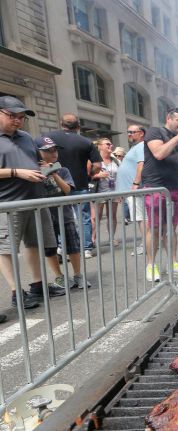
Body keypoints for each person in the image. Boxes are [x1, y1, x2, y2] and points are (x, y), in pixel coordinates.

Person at [0, 96, 65, 311]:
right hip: (8, 202)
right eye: (12, 115)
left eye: (21, 117)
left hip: (35, 199)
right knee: (6, 249)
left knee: (35, 243)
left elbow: (36, 161)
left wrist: (44, 167)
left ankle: (37, 285)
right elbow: (18, 169)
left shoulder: (26, 137)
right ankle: (16, 292)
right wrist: (17, 172)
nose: (18, 120)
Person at [141, 108, 178, 281]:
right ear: (168, 119)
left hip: (175, 188)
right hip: (155, 187)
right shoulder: (155, 132)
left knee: (171, 229)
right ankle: (151, 265)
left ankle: (172, 263)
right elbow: (159, 154)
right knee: (155, 228)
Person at [43, 114, 102, 259]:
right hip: (80, 184)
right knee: (84, 217)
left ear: (61, 123)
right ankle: (86, 248)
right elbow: (97, 166)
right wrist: (89, 176)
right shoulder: (86, 142)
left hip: (57, 184)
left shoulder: (49, 137)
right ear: (78, 126)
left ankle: (62, 247)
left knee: (59, 217)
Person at [37, 136, 90, 290]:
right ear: (38, 152)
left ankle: (78, 274)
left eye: (55, 150)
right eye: (48, 150)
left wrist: (53, 173)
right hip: (45, 215)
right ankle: (59, 276)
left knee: (73, 245)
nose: (53, 153)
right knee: (50, 248)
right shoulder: (33, 170)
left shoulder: (63, 170)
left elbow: (67, 190)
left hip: (65, 214)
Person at [116, 125, 146, 255]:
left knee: (141, 218)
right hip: (130, 189)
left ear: (141, 133)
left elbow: (141, 164)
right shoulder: (135, 147)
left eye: (132, 132)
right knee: (140, 218)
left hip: (134, 189)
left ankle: (146, 244)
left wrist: (135, 183)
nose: (129, 134)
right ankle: (147, 242)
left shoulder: (141, 146)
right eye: (128, 132)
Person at [89, 137, 119, 247]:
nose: (111, 146)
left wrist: (121, 191)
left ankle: (111, 238)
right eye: (107, 144)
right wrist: (97, 175)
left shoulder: (115, 160)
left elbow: (120, 175)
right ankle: (92, 239)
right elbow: (87, 175)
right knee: (96, 217)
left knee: (112, 216)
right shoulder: (94, 160)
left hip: (113, 192)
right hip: (99, 192)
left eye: (111, 144)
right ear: (100, 146)